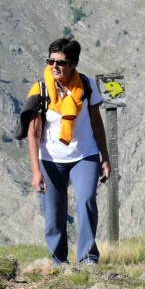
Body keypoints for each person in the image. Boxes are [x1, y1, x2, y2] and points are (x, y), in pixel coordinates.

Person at [26, 38, 111, 265]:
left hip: (84, 154)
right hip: (50, 158)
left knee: (86, 201)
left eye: (60, 62)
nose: (54, 66)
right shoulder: (40, 89)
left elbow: (96, 122)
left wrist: (105, 156)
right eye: (50, 61)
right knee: (54, 213)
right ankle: (59, 262)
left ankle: (87, 259)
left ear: (73, 64)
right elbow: (33, 134)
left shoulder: (87, 85)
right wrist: (36, 171)